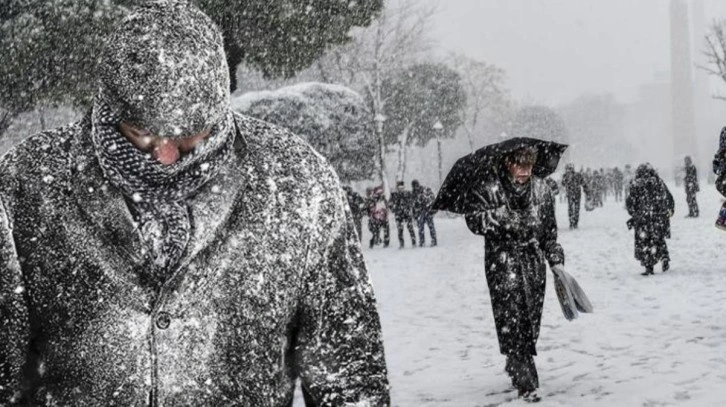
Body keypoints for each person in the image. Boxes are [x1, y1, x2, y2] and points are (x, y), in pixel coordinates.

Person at [0, 2, 389, 405]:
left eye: (191, 136)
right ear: (107, 109)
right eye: (141, 134)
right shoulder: (27, 185)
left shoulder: (297, 181)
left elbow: (349, 375)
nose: (166, 156)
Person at [464, 146, 565, 402]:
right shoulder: (490, 188)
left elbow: (549, 232)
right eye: (519, 165)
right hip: (503, 262)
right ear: (508, 163)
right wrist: (502, 217)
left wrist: (555, 258)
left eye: (529, 166)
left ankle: (514, 358)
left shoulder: (542, 190)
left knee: (530, 321)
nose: (524, 171)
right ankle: (526, 380)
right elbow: (474, 220)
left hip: (533, 264)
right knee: (512, 318)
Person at [626, 164, 674, 276]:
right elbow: (668, 197)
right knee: (658, 239)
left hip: (643, 219)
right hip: (657, 217)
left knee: (644, 243)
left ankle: (649, 266)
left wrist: (634, 213)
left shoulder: (636, 184)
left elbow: (631, 202)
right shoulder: (658, 182)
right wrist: (668, 210)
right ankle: (664, 256)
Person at [390, 181, 416, 248]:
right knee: (402, 229)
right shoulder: (395, 195)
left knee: (407, 229)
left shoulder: (406, 193)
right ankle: (405, 243)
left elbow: (412, 202)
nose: (400, 188)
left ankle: (412, 243)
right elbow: (390, 204)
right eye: (399, 187)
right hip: (401, 214)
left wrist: (394, 208)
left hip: (404, 213)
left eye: (401, 187)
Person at [411, 180, 438, 247]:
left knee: (429, 227)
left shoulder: (424, 190)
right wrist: (414, 215)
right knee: (422, 228)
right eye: (414, 186)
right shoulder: (414, 193)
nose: (415, 187)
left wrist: (432, 209)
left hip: (426, 211)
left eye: (416, 185)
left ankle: (432, 241)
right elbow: (413, 205)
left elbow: (432, 199)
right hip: (421, 212)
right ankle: (423, 241)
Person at [561, 164, 584, 229]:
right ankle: (574, 223)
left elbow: (563, 183)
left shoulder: (566, 175)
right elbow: (583, 183)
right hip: (576, 194)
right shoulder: (577, 175)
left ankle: (572, 223)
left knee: (571, 209)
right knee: (576, 209)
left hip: (571, 194)